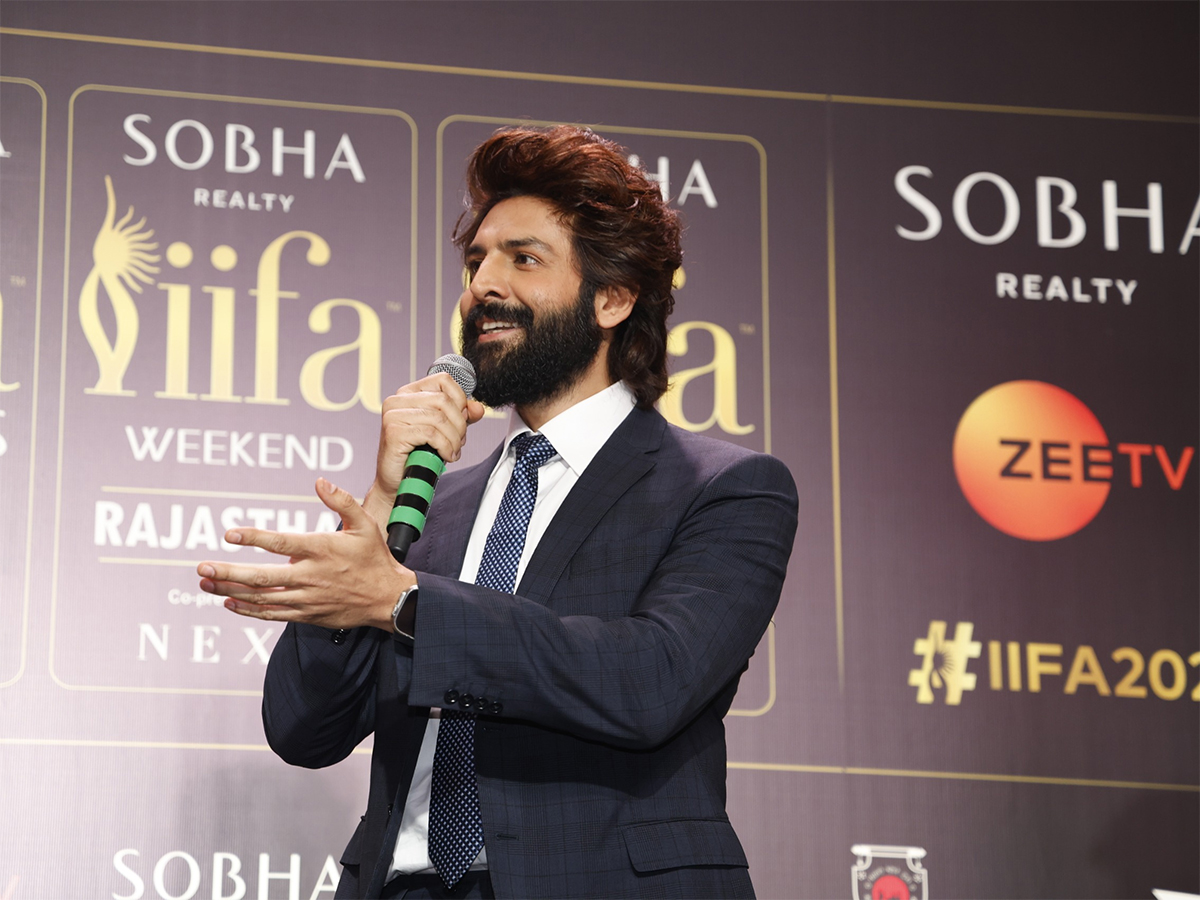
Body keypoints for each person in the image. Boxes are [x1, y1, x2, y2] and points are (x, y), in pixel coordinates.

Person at [198, 125, 798, 900]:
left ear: (612, 298)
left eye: (524, 258)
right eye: (477, 260)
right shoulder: (433, 507)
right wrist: (381, 507)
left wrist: (406, 603)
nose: (483, 284)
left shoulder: (724, 488)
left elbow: (650, 682)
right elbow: (303, 729)